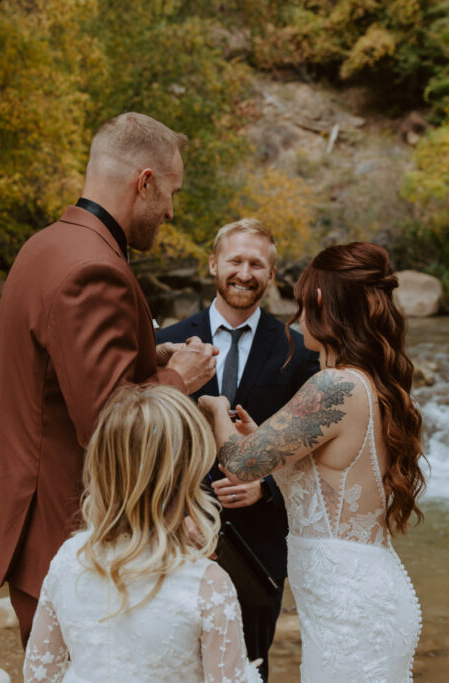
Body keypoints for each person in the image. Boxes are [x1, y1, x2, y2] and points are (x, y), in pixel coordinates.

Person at [0, 112, 218, 648]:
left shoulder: (45, 245)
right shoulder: (91, 268)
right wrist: (180, 376)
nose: (171, 211)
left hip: (33, 518)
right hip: (68, 527)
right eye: (171, 193)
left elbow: (63, 375)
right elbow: (107, 421)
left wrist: (150, 356)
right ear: (144, 182)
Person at [198, 242, 426, 682]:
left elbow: (241, 464)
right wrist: (262, 441)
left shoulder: (333, 386)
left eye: (304, 299)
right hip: (353, 599)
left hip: (350, 610)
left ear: (320, 302)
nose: (297, 311)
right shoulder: (365, 382)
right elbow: (319, 472)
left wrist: (215, 406)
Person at [156, 218, 319, 680]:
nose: (245, 273)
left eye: (257, 264)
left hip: (257, 548)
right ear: (213, 264)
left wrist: (267, 486)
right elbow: (144, 442)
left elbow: (313, 457)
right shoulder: (162, 344)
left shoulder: (298, 351)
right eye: (235, 260)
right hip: (173, 535)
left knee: (249, 669)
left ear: (270, 275)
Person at [23, 384, 261, 683]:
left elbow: (40, 675)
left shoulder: (70, 558)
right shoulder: (207, 583)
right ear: (188, 472)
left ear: (102, 464)